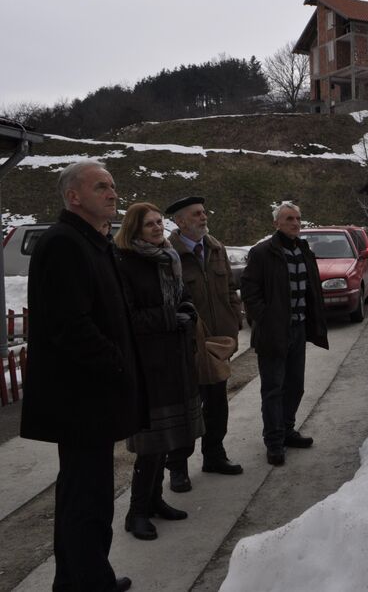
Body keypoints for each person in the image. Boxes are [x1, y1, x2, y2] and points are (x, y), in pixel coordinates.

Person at [19, 160, 139, 592]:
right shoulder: (65, 243)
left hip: (92, 396)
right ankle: (87, 583)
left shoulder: (93, 242)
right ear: (74, 197)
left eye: (112, 185)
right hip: (81, 399)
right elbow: (70, 325)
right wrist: (117, 363)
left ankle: (79, 579)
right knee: (86, 501)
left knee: (85, 496)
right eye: (101, 186)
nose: (112, 193)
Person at [115, 203, 204, 540]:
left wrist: (187, 311)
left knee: (168, 439)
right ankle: (136, 512)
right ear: (134, 229)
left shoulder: (168, 258)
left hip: (174, 357)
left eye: (159, 223)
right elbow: (129, 318)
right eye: (149, 224)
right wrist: (171, 319)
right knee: (151, 442)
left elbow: (182, 297)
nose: (156, 228)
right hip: (148, 363)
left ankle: (155, 501)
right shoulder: (125, 262)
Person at [163, 196, 244, 491]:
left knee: (217, 404)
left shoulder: (215, 247)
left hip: (218, 342)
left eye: (204, 212)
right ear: (180, 221)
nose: (203, 217)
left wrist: (234, 320)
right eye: (196, 214)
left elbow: (231, 288)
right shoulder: (169, 254)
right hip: (186, 345)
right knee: (186, 407)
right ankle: (178, 467)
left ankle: (214, 455)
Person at [241, 202, 328, 466]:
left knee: (295, 386)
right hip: (273, 333)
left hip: (298, 330)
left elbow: (311, 288)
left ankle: (287, 429)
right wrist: (265, 319)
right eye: (289, 218)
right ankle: (274, 441)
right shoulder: (262, 252)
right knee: (273, 389)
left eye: (298, 219)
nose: (295, 223)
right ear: (276, 223)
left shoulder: (303, 250)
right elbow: (249, 291)